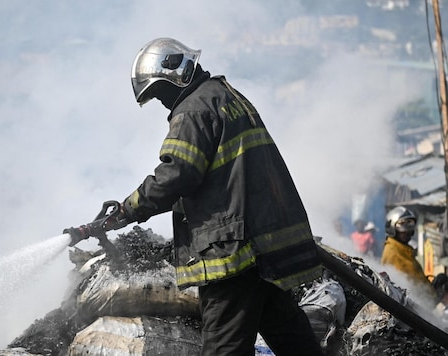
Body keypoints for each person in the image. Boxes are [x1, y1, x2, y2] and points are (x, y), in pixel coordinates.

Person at [95, 38, 324, 356]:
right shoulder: (227, 97)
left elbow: (177, 174)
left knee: (223, 348)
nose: (162, 103)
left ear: (176, 74)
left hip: (232, 251)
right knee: (294, 341)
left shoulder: (193, 111)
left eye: (161, 92)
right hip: (262, 249)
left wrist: (124, 211)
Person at [381, 206, 432, 291]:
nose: (407, 233)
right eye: (403, 229)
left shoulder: (404, 251)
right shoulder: (394, 253)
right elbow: (410, 288)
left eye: (409, 228)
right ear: (392, 228)